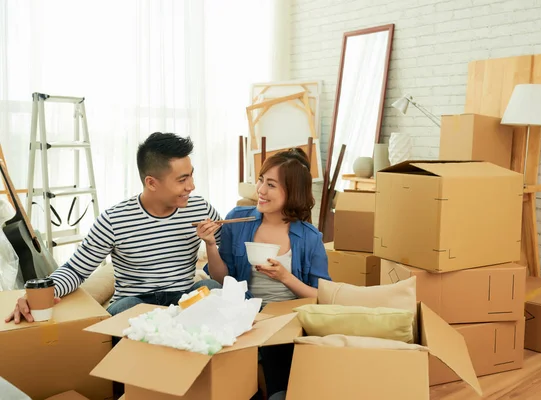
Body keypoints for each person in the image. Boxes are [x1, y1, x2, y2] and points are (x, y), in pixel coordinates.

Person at [5, 132, 222, 324]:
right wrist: (37, 295)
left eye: (191, 175)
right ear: (152, 183)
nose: (191, 186)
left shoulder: (199, 208)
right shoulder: (114, 219)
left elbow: (227, 255)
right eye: (183, 179)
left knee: (213, 289)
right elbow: (76, 270)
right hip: (135, 303)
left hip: (185, 298)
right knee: (122, 309)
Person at [196, 147, 330, 399]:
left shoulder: (310, 238)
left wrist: (285, 277)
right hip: (245, 312)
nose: (260, 190)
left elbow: (322, 295)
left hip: (288, 316)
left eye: (271, 184)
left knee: (275, 342)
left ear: (292, 192)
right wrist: (211, 245)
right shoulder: (238, 220)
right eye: (260, 180)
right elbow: (220, 279)